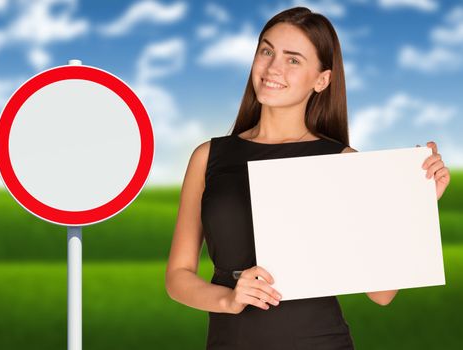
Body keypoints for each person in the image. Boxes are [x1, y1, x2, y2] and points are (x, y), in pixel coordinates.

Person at [165, 6, 451, 350]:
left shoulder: (344, 163)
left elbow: (382, 294)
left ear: (322, 80)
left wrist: (417, 204)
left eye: (293, 60)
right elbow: (178, 277)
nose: (273, 68)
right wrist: (229, 300)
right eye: (267, 51)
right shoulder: (208, 157)